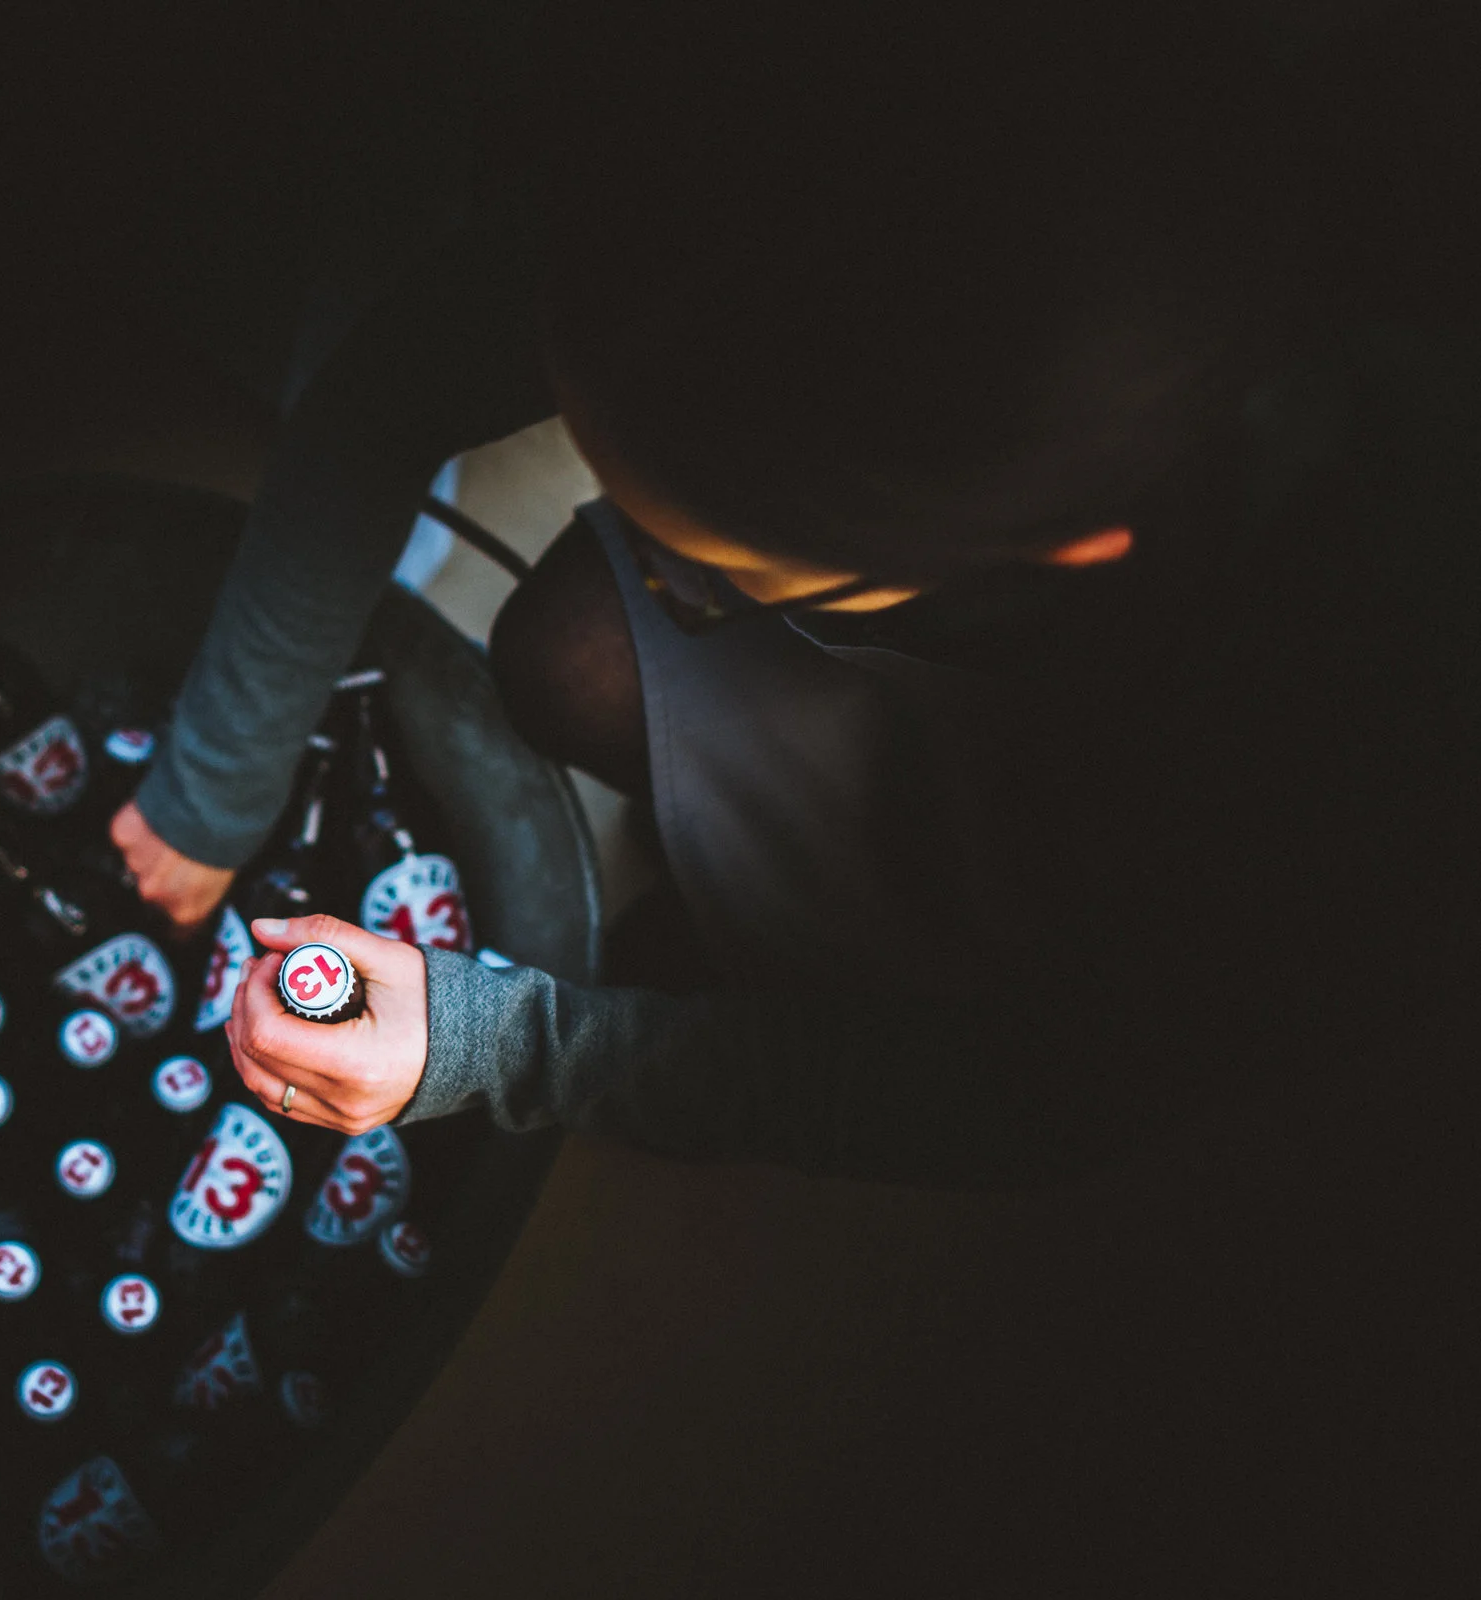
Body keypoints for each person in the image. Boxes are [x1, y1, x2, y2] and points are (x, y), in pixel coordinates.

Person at [109, 1, 1315, 1184]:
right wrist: (219, 778)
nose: (641, 572)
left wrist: (511, 1046)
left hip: (1094, 884)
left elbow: (1035, 1094)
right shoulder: (741, 179)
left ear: (1056, 547)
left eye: (716, 569)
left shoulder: (1311, 729)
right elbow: (399, 381)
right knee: (569, 650)